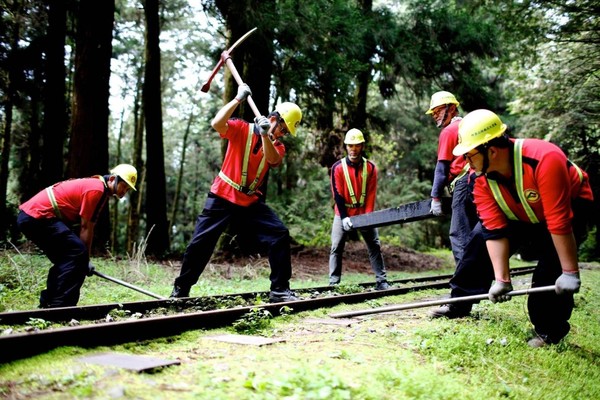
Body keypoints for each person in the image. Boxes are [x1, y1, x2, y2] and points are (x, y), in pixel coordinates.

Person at [452, 109, 594, 347]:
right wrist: (502, 280)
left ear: (492, 150)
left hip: (570, 207)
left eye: (469, 155)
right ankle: (458, 303)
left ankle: (549, 332)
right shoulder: (478, 178)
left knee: (550, 270)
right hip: (521, 209)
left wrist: (569, 272)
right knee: (477, 242)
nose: (466, 162)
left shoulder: (544, 158)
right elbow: (493, 228)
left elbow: (558, 220)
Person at [170, 83, 302, 303]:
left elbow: (272, 160)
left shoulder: (277, 146)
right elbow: (216, 123)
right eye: (283, 129)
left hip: (249, 201)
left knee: (279, 233)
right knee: (200, 243)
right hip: (223, 194)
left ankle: (279, 289)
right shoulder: (242, 129)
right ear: (273, 119)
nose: (283, 134)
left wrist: (266, 136)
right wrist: (237, 99)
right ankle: (181, 289)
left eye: (286, 132)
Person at [17, 164, 138, 308]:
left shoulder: (98, 188)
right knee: (77, 253)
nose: (124, 192)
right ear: (112, 179)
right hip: (38, 216)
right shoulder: (97, 189)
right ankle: (60, 306)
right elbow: (86, 227)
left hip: (31, 217)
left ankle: (49, 303)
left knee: (67, 259)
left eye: (127, 189)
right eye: (123, 186)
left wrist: (83, 260)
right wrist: (84, 259)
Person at [426, 91, 493, 318]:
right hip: (481, 182)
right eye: (433, 112)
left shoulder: (450, 131)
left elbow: (442, 167)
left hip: (463, 185)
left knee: (460, 237)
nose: (435, 115)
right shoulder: (473, 126)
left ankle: (461, 301)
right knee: (477, 237)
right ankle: (474, 292)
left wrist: (435, 196)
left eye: (438, 110)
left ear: (451, 108)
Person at [328, 129, 389, 290]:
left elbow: (371, 194)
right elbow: (338, 195)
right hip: (342, 213)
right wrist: (344, 217)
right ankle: (333, 283)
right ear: (346, 147)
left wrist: (368, 218)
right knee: (336, 246)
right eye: (350, 146)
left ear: (362, 146)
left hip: (363, 213)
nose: (353, 149)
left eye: (356, 146)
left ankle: (382, 281)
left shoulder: (370, 168)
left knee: (374, 245)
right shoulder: (337, 168)